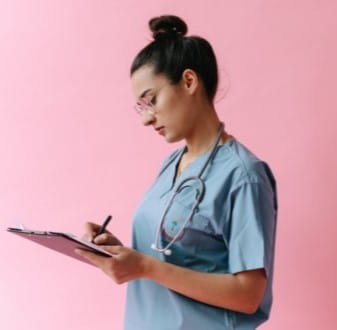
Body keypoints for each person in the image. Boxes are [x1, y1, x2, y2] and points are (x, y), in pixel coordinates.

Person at [75, 15, 278, 330]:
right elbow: (166, 253)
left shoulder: (244, 176)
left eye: (151, 101)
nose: (146, 119)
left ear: (188, 81)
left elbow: (248, 294)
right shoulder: (172, 163)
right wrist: (122, 254)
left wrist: (145, 267)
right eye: (141, 108)